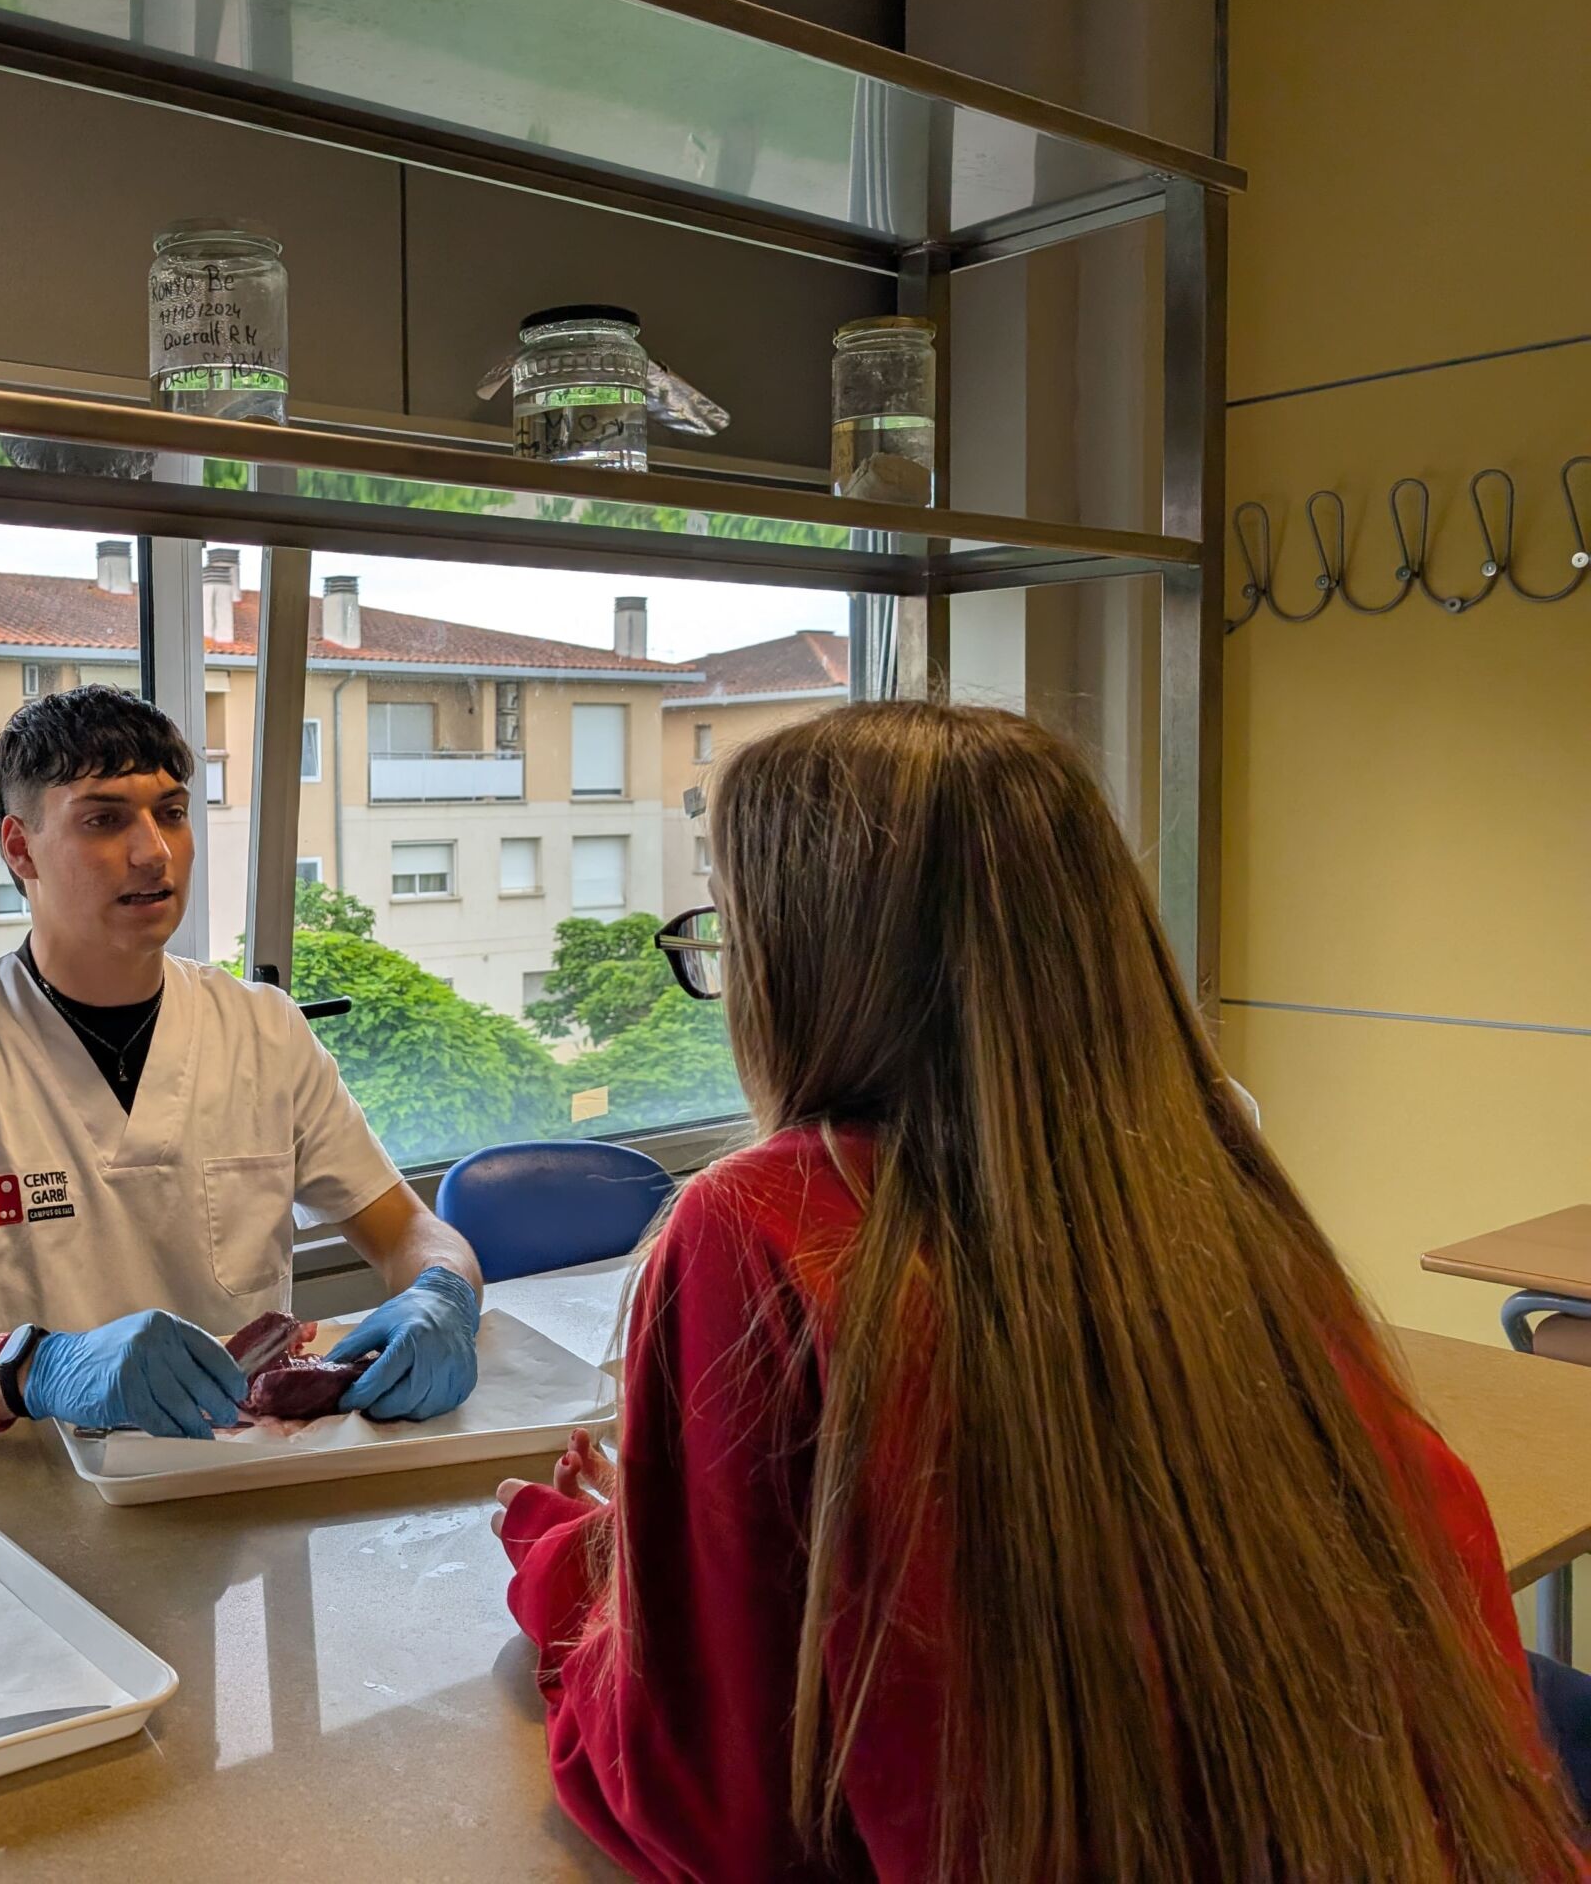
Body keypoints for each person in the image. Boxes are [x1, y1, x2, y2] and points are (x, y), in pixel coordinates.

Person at [495, 703, 1581, 1880]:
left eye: (726, 933)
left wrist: (578, 1577)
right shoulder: (1208, 1175)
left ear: (802, 965)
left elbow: (720, 1812)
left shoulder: (763, 1224)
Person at [0, 685, 482, 1440]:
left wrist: (442, 1292)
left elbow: (408, 1230)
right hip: (17, 1490)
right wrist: (31, 1369)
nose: (154, 852)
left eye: (171, 813)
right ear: (20, 848)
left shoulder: (263, 1032)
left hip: (234, 1476)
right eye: (104, 820)